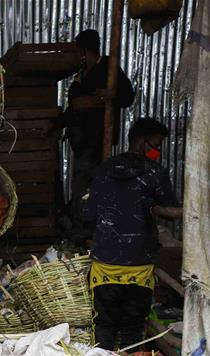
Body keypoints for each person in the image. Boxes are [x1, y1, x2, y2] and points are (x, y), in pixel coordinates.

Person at [83, 117, 177, 351]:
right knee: (133, 329)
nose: (158, 151)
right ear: (143, 142)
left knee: (103, 326)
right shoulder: (155, 172)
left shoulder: (103, 169)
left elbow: (88, 215)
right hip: (139, 264)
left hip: (105, 263)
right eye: (156, 145)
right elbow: (172, 211)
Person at [58, 29, 136, 236]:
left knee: (87, 185)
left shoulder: (108, 68)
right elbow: (73, 107)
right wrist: (57, 124)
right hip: (81, 141)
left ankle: (85, 232)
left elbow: (127, 97)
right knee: (82, 184)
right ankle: (83, 229)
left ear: (84, 51)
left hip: (95, 139)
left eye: (77, 51)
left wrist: (109, 96)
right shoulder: (83, 73)